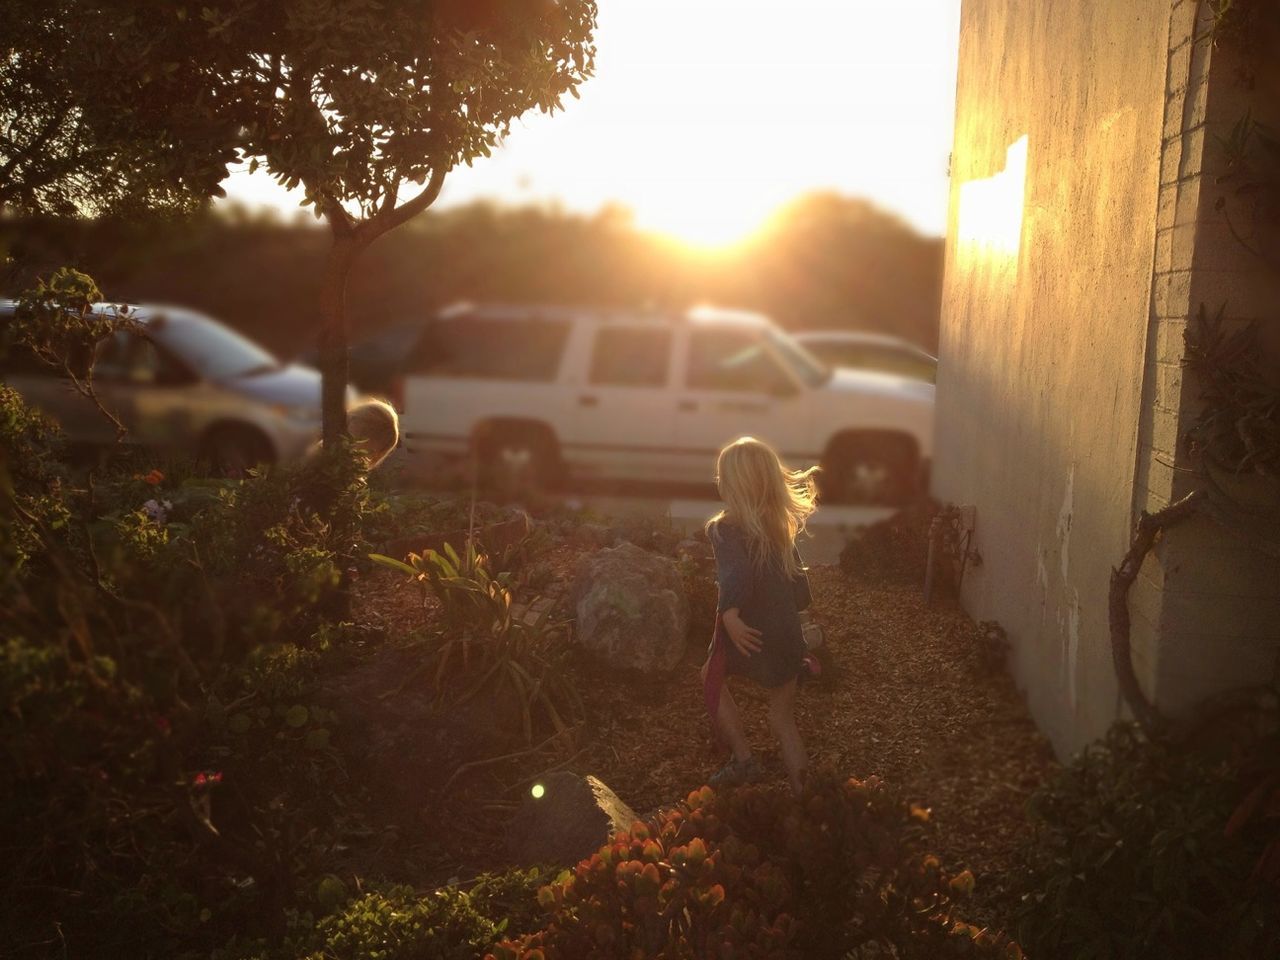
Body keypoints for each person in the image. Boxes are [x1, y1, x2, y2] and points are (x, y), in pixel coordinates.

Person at [701, 436, 818, 796]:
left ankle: (744, 759)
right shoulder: (779, 527)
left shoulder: (723, 528)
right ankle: (808, 797)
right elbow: (799, 589)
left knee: (710, 677)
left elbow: (736, 575)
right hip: (785, 636)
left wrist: (730, 614)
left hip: (748, 630)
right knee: (783, 720)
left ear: (733, 484)